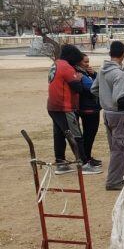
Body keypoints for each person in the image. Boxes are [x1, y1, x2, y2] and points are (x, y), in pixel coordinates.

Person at [47, 44, 97, 174]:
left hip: (53, 106)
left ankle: (61, 163)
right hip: (64, 107)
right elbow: (78, 88)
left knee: (59, 135)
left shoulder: (56, 64)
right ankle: (83, 164)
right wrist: (79, 79)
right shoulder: (67, 67)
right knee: (76, 135)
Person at [91, 41, 124, 189]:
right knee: (120, 149)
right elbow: (119, 98)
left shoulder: (103, 70)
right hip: (118, 114)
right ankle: (114, 181)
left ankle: (119, 176)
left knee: (119, 147)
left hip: (107, 114)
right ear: (123, 54)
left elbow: (94, 89)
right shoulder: (118, 73)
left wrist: (105, 100)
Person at [75, 54, 102, 169]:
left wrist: (94, 74)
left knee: (90, 134)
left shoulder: (86, 73)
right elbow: (93, 88)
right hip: (88, 108)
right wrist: (94, 77)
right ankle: (85, 158)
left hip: (92, 107)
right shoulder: (80, 74)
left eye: (88, 61)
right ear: (79, 62)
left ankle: (88, 157)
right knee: (89, 134)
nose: (87, 64)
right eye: (85, 62)